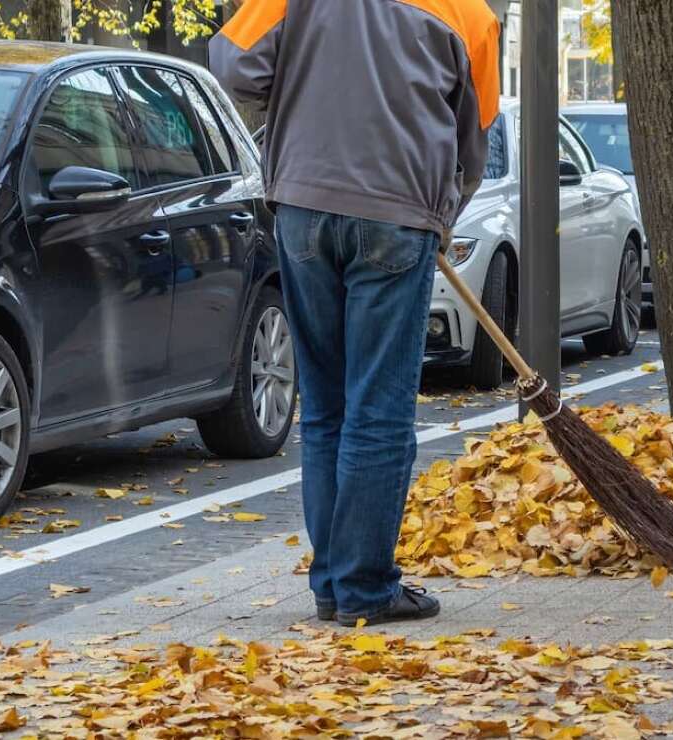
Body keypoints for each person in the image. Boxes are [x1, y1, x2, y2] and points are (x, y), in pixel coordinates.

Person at [210, 0, 500, 626]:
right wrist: (444, 209)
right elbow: (477, 135)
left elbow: (232, 64)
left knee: (325, 408)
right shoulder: (468, 13)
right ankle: (365, 588)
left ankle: (332, 584)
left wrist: (293, 98)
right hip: (398, 215)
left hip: (304, 207)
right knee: (379, 411)